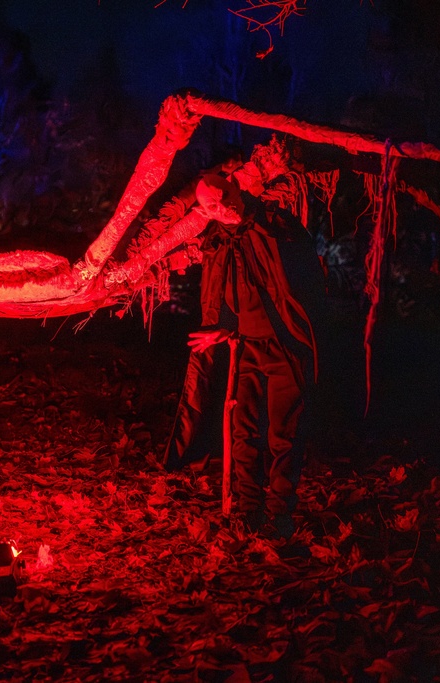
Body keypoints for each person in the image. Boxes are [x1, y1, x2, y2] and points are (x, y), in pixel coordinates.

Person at [165, 138, 321, 540]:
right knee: (244, 430)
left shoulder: (275, 225)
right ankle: (248, 509)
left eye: (225, 198)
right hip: (246, 347)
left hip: (284, 345)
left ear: (237, 190)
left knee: (283, 433)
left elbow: (298, 280)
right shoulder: (219, 242)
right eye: (212, 206)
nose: (222, 208)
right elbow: (229, 292)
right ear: (204, 210)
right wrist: (224, 328)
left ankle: (279, 513)